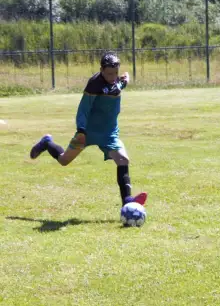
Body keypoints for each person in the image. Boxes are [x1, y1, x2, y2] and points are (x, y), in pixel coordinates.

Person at [29, 51, 147, 207]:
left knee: (123, 160)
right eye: (109, 73)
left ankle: (127, 200)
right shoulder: (94, 85)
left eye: (115, 73)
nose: (112, 76)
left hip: (109, 134)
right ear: (101, 69)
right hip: (87, 133)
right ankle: (46, 142)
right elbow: (83, 109)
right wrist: (81, 130)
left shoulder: (116, 81)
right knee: (64, 160)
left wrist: (125, 79)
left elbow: (119, 84)